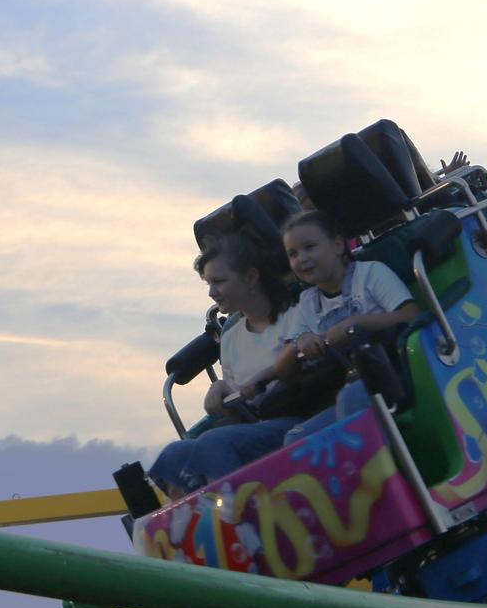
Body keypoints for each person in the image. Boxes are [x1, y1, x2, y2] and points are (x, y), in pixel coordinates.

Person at [146, 233, 303, 497]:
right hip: (255, 425)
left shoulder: (296, 315)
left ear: (251, 278)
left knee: (214, 443)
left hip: (295, 416)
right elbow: (238, 392)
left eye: (218, 282)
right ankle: (187, 525)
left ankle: (240, 516)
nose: (211, 292)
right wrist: (222, 391)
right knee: (173, 455)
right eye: (208, 283)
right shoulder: (231, 336)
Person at [268, 210, 421, 438]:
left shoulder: (370, 273)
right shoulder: (307, 302)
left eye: (309, 247)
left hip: (393, 375)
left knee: (351, 398)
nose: (301, 259)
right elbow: (283, 370)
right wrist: (299, 344)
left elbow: (411, 315)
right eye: (293, 254)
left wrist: (357, 323)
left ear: (338, 245)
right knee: (296, 438)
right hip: (346, 387)